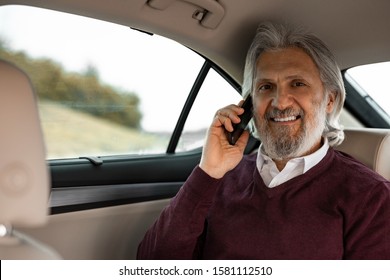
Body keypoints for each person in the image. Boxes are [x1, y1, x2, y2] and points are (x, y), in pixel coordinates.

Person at [137, 22, 390, 259]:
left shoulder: (371, 197)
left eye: (298, 83)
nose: (280, 102)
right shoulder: (220, 178)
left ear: (330, 100)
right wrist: (208, 172)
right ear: (248, 104)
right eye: (266, 87)